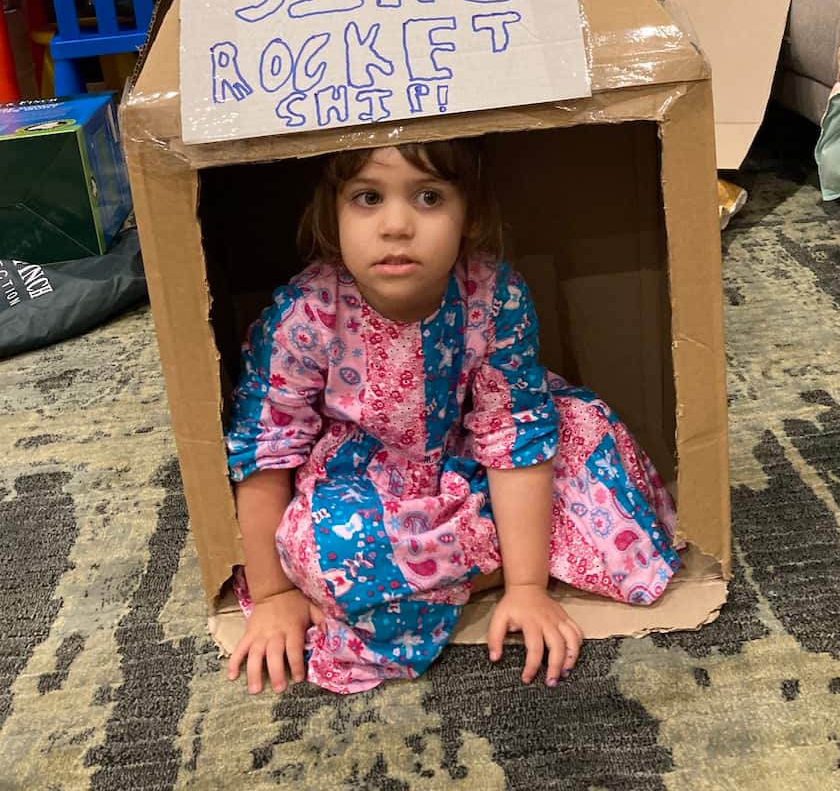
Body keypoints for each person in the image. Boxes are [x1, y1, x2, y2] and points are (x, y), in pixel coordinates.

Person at [225, 139, 680, 697]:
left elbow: (514, 432)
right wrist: (273, 597)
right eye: (368, 198)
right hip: (364, 486)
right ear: (332, 214)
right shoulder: (306, 313)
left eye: (429, 197)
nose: (397, 225)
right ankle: (462, 572)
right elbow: (267, 449)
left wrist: (527, 587)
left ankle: (478, 571)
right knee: (330, 549)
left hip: (468, 462)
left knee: (587, 426)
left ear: (469, 215)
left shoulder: (496, 293)